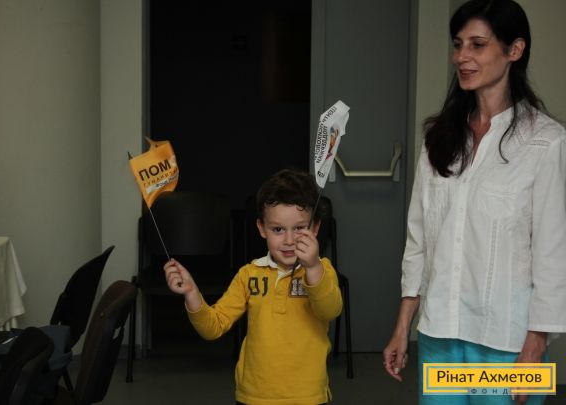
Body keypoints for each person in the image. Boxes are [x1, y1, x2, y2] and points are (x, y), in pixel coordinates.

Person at [382, 0, 566, 404]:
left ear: (514, 50)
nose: (461, 57)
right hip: (439, 333)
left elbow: (553, 256)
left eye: (478, 45)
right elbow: (419, 240)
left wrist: (535, 346)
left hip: (509, 342)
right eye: (458, 44)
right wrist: (403, 325)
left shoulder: (546, 141)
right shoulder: (438, 138)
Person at [164, 169, 343, 405]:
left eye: (300, 228)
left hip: (308, 396)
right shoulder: (248, 275)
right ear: (261, 228)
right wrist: (191, 293)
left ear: (315, 228)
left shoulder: (322, 270)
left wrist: (312, 268)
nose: (289, 240)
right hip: (253, 396)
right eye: (278, 229)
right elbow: (213, 326)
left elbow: (330, 310)